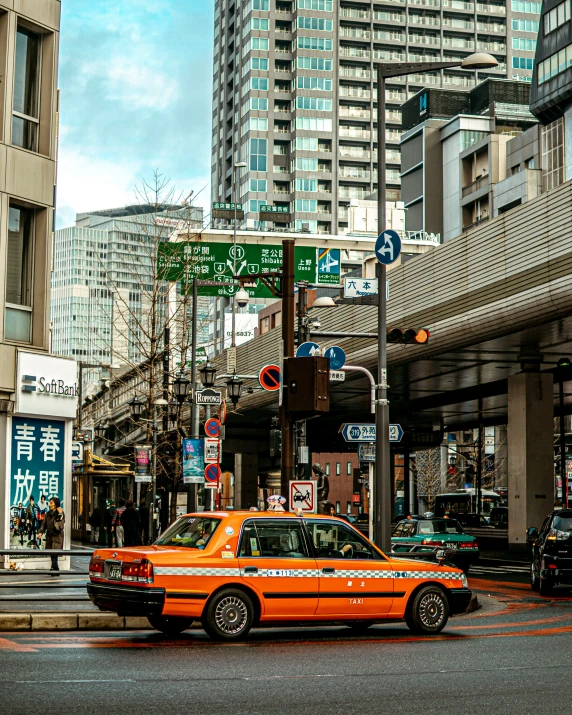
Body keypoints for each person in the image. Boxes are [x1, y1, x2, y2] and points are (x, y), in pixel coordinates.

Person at [38, 498, 65, 575]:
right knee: (51, 553)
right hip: (50, 535)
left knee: (54, 553)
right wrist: (40, 532)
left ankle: (53, 568)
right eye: (50, 503)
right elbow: (44, 524)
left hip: (57, 536)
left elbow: (59, 526)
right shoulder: (48, 514)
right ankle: (56, 569)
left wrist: (59, 515)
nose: (50, 504)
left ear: (56, 504)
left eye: (52, 503)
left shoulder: (61, 513)